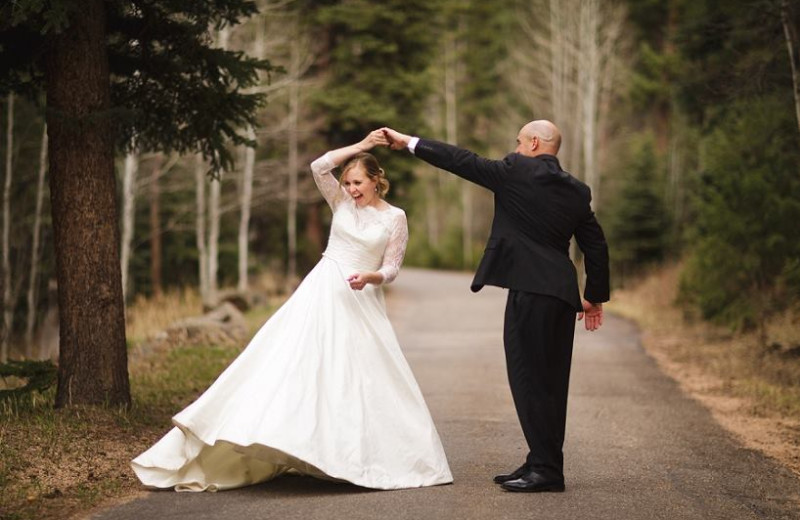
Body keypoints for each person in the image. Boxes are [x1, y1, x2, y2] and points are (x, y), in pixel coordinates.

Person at [131, 130, 453, 491]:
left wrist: (372, 275)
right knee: (294, 363)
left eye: (358, 182)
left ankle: (353, 454)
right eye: (347, 182)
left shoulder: (396, 218)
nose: (351, 189)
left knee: (359, 376)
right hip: (321, 291)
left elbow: (392, 268)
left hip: (361, 298)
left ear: (377, 180)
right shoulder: (341, 203)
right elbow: (318, 167)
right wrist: (361, 147)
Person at [382, 121, 609, 493]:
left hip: (530, 291)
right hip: (561, 294)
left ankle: (547, 470)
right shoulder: (577, 190)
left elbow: (461, 160)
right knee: (552, 381)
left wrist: (409, 142)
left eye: (519, 142)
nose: (516, 148)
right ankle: (542, 460)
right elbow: (595, 244)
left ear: (534, 142)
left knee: (528, 379)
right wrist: (594, 294)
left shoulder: (514, 172)